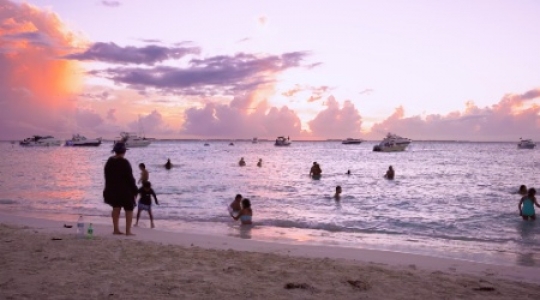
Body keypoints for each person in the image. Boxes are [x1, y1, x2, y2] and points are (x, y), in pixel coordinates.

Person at [103, 142, 138, 235]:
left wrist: (108, 189)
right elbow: (130, 178)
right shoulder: (125, 162)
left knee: (116, 207)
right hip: (125, 190)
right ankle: (128, 231)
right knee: (129, 209)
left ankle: (116, 229)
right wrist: (135, 190)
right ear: (124, 151)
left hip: (112, 189)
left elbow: (106, 176)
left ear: (115, 151)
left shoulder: (109, 162)